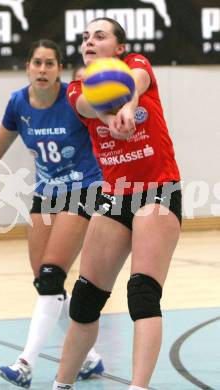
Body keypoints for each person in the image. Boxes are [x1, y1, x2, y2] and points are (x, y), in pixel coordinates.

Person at [0, 39, 104, 388]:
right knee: (46, 283)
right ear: (27, 66)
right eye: (37, 63)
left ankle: (25, 364)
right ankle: (88, 356)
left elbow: (105, 132)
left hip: (83, 189)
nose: (42, 70)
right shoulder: (18, 103)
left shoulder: (75, 98)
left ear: (59, 69)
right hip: (45, 194)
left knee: (51, 275)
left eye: (50, 64)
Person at [52, 17, 182, 390]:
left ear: (119, 48)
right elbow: (88, 106)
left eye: (99, 35)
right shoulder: (77, 89)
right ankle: (61, 384)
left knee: (142, 294)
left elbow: (138, 81)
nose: (89, 41)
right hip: (116, 194)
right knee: (85, 299)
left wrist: (131, 102)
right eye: (84, 37)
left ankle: (137, 387)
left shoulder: (138, 65)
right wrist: (111, 115)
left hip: (158, 189)